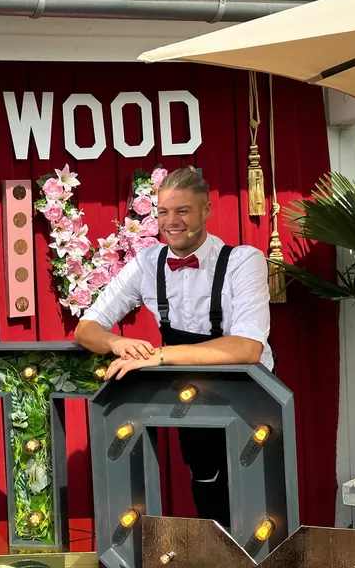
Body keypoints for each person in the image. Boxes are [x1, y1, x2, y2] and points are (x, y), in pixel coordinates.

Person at [74, 166, 274, 528]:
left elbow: (247, 348)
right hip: (191, 393)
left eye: (183, 211)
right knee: (207, 486)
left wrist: (158, 356)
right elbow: (86, 328)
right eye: (163, 212)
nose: (172, 222)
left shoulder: (244, 261)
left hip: (250, 395)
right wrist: (117, 342)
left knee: (254, 499)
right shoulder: (147, 263)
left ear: (206, 211)